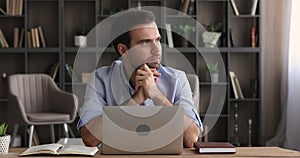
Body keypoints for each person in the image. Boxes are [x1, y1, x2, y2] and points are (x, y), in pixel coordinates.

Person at [78, 9, 202, 148]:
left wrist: (157, 95)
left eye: (158, 40)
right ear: (123, 50)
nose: (157, 49)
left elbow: (191, 140)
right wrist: (135, 100)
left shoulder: (178, 78)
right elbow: (90, 139)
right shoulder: (101, 79)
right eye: (145, 42)